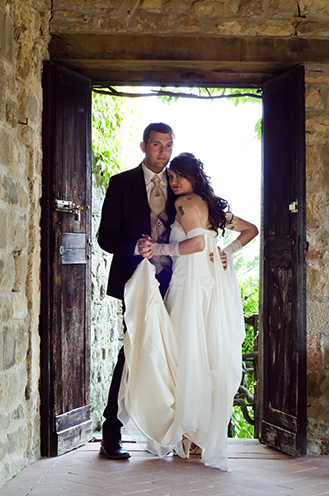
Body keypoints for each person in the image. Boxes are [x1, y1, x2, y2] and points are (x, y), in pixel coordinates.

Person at [117, 153, 259, 470]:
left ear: (195, 177)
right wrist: (227, 251)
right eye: (171, 176)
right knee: (203, 357)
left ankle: (186, 433)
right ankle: (195, 437)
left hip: (189, 290)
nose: (174, 181)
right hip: (212, 290)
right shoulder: (213, 207)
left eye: (180, 175)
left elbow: (195, 245)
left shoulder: (185, 204)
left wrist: (160, 249)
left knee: (177, 355)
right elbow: (251, 230)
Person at [98, 124, 228, 460]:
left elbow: (207, 225)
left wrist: (222, 251)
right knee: (132, 350)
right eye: (157, 145)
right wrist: (136, 247)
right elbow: (105, 237)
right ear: (144, 146)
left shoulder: (179, 185)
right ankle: (112, 432)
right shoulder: (121, 183)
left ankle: (179, 431)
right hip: (137, 280)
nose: (163, 152)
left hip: (176, 282)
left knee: (178, 355)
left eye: (169, 145)